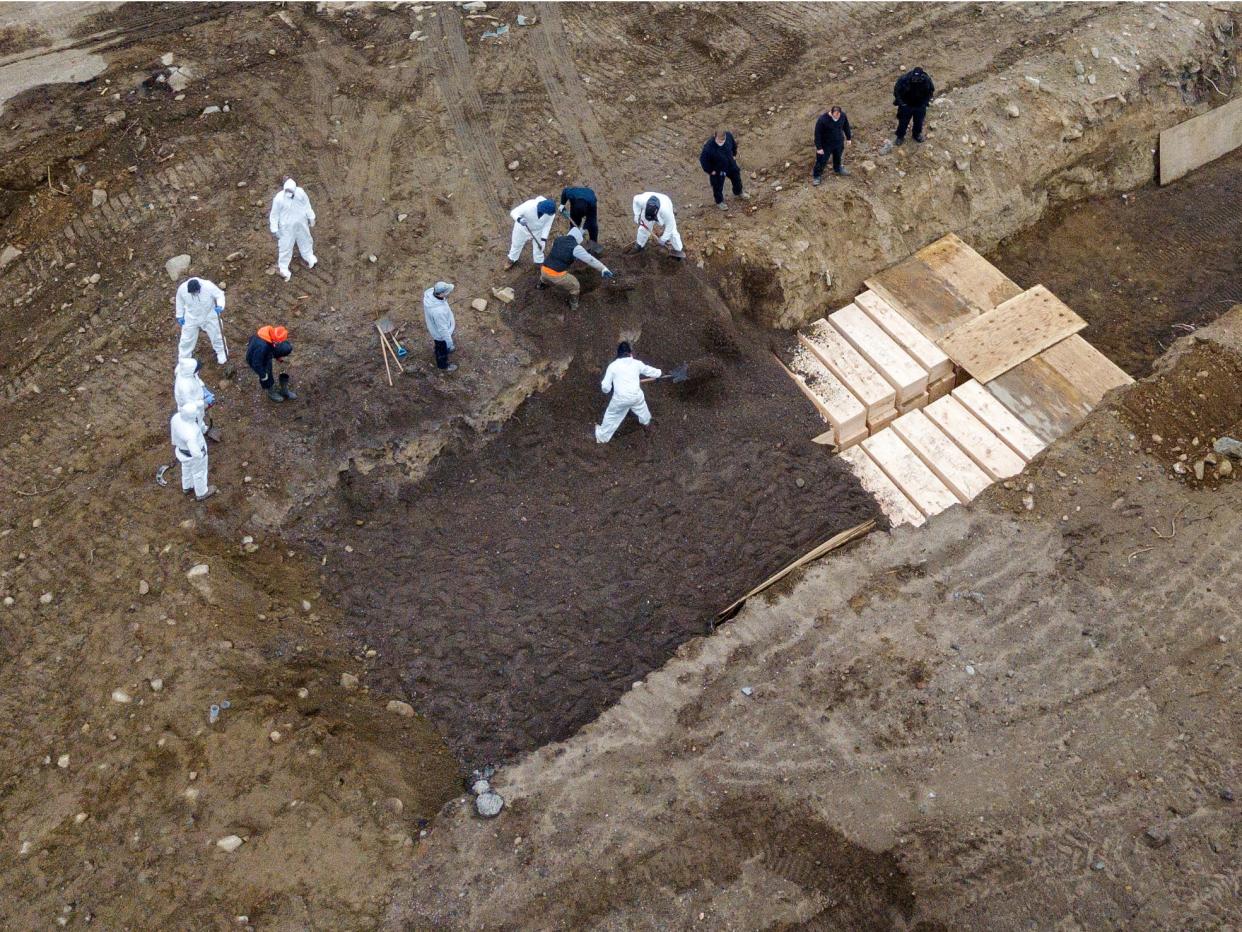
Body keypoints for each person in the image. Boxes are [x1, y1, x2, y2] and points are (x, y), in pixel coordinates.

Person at [595, 342, 661, 444]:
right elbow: (651, 371)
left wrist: (608, 390)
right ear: (630, 353)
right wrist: (660, 373)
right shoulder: (637, 363)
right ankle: (647, 424)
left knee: (611, 416)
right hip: (636, 397)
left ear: (618, 354)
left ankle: (602, 437)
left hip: (620, 399)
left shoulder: (613, 366)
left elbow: (605, 387)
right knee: (643, 410)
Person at [539, 226, 613, 311]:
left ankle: (541, 285)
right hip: (556, 276)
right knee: (575, 285)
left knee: (545, 275)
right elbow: (590, 260)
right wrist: (603, 268)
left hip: (543, 269)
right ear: (578, 239)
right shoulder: (576, 248)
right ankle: (573, 305)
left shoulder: (558, 239)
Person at [269, 178, 317, 281]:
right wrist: (274, 228)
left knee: (305, 240)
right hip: (286, 227)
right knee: (285, 246)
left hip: (301, 224)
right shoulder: (279, 198)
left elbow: (307, 205)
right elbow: (274, 215)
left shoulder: (300, 193)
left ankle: (308, 255)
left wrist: (311, 216)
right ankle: (283, 267)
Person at [170, 400, 215, 501]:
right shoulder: (190, 432)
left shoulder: (176, 417)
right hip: (193, 455)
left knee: (186, 468)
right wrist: (202, 454)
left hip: (181, 452)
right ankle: (202, 492)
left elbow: (173, 437)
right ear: (191, 416)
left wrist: (206, 402)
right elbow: (195, 453)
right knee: (199, 472)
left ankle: (187, 486)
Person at [175, 277, 227, 364]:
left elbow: (219, 295)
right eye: (192, 293)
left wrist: (220, 305)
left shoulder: (208, 286)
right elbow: (179, 301)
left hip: (209, 314)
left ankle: (222, 352)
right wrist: (180, 315)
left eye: (196, 292)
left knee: (216, 334)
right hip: (191, 316)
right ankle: (184, 359)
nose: (194, 294)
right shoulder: (182, 289)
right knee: (187, 338)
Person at [698, 128, 748, 211]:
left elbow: (733, 145)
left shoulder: (728, 136)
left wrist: (734, 155)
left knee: (737, 178)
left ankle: (739, 192)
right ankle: (719, 202)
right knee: (717, 186)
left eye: (723, 140)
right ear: (715, 136)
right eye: (719, 141)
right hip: (718, 170)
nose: (721, 142)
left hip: (730, 164)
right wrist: (710, 171)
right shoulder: (708, 148)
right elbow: (703, 160)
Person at [245, 324, 295, 403]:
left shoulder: (269, 333)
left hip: (264, 352)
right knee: (267, 372)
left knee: (286, 348)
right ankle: (271, 391)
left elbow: (272, 346)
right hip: (256, 359)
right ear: (276, 341)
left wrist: (277, 357)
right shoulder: (262, 347)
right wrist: (263, 375)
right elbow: (256, 363)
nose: (280, 343)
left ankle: (284, 390)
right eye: (280, 342)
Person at [506, 197, 557, 269]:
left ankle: (539, 261)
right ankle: (512, 259)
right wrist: (519, 219)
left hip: (538, 231)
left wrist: (543, 239)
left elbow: (547, 225)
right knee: (516, 244)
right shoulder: (529, 205)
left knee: (540, 248)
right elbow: (514, 212)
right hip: (522, 229)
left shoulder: (551, 213)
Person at [631, 192, 684, 259]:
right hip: (649, 208)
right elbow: (635, 200)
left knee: (673, 232)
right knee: (644, 228)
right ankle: (639, 245)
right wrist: (637, 215)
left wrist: (663, 239)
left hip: (665, 202)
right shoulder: (642, 200)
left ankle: (678, 250)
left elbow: (670, 227)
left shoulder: (667, 212)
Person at [893, 66, 935, 145]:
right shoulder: (905, 79)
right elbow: (897, 91)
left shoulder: (926, 80)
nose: (915, 80)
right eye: (914, 78)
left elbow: (931, 90)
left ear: (921, 76)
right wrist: (901, 103)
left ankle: (916, 135)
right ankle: (900, 136)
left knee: (919, 122)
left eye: (917, 78)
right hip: (906, 105)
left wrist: (925, 102)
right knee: (903, 122)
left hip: (920, 106)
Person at [422, 281, 458, 373]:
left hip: (435, 329)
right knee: (442, 349)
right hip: (440, 335)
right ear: (441, 294)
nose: (448, 293)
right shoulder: (438, 312)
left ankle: (438, 350)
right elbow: (442, 330)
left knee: (438, 345)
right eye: (446, 292)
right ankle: (443, 365)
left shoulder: (431, 295)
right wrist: (449, 343)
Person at [173, 357, 215, 433]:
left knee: (200, 417)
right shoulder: (184, 387)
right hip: (190, 409)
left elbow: (196, 378)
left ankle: (202, 429)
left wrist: (203, 388)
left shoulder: (185, 369)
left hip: (196, 399)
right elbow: (190, 405)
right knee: (195, 423)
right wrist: (204, 402)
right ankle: (198, 435)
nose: (198, 372)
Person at [812, 106, 853, 183]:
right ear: (831, 113)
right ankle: (817, 176)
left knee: (838, 157)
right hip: (826, 145)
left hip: (838, 142)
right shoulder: (822, 120)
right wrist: (819, 148)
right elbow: (817, 134)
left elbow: (846, 126)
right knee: (821, 160)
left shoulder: (842, 116)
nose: (837, 117)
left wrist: (848, 138)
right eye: (835, 116)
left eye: (838, 115)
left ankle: (837, 169)